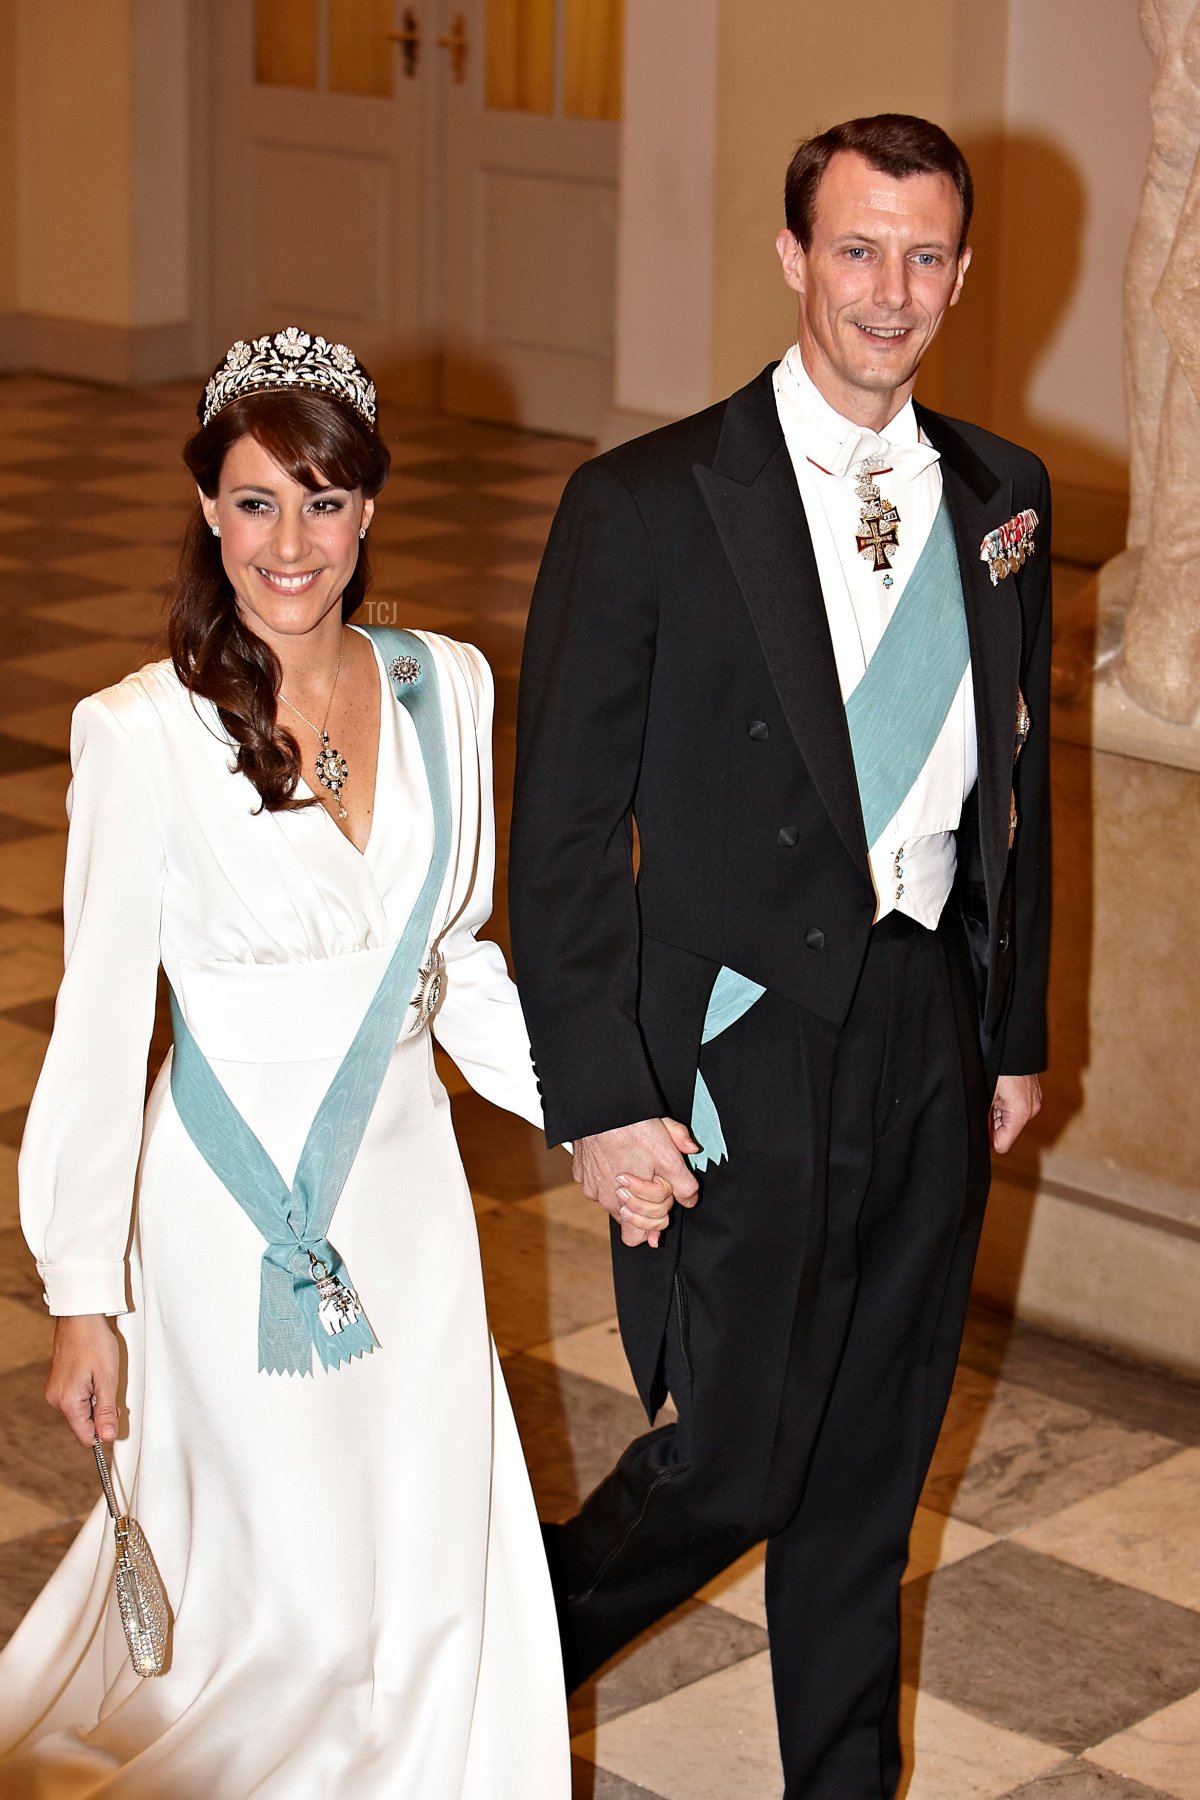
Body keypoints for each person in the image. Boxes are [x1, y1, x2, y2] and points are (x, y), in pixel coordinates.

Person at [0, 328, 671, 1797]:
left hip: (407, 1196)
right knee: (290, 1601)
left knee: (428, 1543)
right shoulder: (136, 733)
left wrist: (598, 1114)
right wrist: (81, 1297)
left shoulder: (448, 685)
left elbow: (452, 963)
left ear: (369, 508)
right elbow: (102, 1030)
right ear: (205, 511)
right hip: (229, 1220)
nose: (288, 543)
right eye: (252, 502)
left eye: (321, 499)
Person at [509, 115, 1051, 1797]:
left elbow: (1022, 791)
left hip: (922, 1029)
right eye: (858, 249)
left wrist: (1011, 1032)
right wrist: (604, 1097)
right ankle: (479, 1646)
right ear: (793, 258)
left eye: (926, 254)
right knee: (736, 1463)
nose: (891, 291)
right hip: (743, 1043)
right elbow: (563, 837)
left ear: (962, 270)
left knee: (873, 1473)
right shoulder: (653, 502)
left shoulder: (1002, 496)